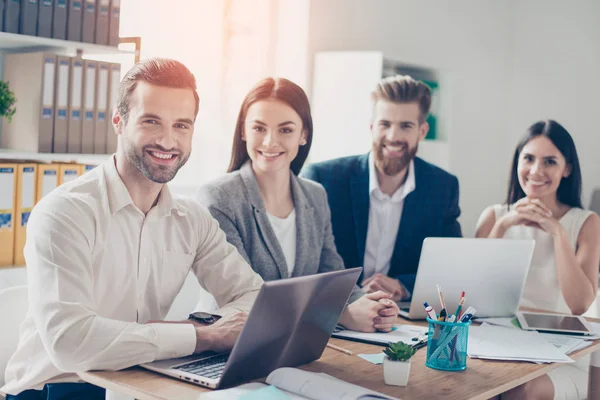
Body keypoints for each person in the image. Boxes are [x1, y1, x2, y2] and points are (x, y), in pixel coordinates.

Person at [1, 58, 264, 400]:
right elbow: (71, 343)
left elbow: (254, 296)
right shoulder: (64, 213)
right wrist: (201, 335)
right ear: (118, 121)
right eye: (151, 121)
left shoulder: (192, 218)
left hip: (137, 385)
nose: (168, 141)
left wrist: (204, 330)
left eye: (181, 126)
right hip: (57, 390)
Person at [196, 77, 399, 333]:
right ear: (243, 131)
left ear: (303, 134)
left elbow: (332, 276)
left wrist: (372, 306)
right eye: (259, 128)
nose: (270, 142)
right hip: (230, 345)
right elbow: (245, 297)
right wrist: (341, 315)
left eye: (286, 130)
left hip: (297, 342)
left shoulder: (314, 195)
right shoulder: (218, 197)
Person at [301, 75, 461, 301]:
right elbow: (306, 264)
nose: (393, 137)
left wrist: (402, 286)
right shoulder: (324, 179)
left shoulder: (442, 188)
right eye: (385, 124)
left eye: (406, 126)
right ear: (371, 126)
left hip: (400, 318)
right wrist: (354, 297)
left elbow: (451, 269)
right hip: (336, 311)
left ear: (422, 132)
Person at [475, 120, 600, 400]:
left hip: (561, 356)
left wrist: (557, 231)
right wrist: (503, 226)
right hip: (500, 346)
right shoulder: (494, 217)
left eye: (550, 161)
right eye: (528, 158)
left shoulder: (587, 223)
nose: (536, 171)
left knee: (523, 389)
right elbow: (473, 295)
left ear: (566, 169)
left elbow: (579, 303)